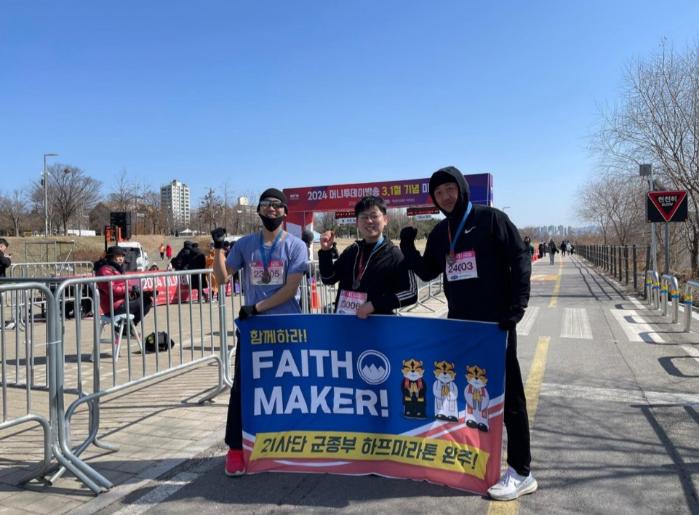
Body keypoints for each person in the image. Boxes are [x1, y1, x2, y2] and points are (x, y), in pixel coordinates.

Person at [399, 166, 536, 501]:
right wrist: (408, 248)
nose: (446, 196)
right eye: (439, 193)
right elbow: (430, 270)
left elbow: (520, 257)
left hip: (495, 326)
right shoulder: (441, 232)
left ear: (461, 189)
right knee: (467, 394)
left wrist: (517, 306)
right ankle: (473, 458)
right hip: (461, 325)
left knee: (509, 396)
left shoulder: (491, 220)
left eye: (450, 189)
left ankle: (521, 471)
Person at [212, 187, 308, 477]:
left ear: (285, 212)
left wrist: (257, 307)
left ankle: (290, 443)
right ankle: (235, 450)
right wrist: (217, 248)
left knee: (290, 387)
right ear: (258, 210)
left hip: (286, 327)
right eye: (266, 205)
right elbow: (220, 278)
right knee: (242, 389)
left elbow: (291, 289)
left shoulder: (295, 246)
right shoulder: (245, 244)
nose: (271, 210)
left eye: (277, 206)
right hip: (253, 333)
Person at [318, 196, 417, 317]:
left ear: (385, 220)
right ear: (357, 222)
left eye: (374, 216)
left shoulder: (395, 255)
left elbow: (411, 293)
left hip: (379, 328)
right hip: (345, 325)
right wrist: (325, 251)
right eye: (364, 217)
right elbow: (328, 278)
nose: (369, 221)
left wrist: (374, 305)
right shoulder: (351, 251)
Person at [94, 246, 153, 332]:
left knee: (146, 298)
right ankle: (127, 329)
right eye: (118, 256)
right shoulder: (104, 270)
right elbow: (112, 289)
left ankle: (127, 328)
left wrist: (136, 292)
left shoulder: (117, 270)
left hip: (120, 302)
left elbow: (125, 286)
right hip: (113, 306)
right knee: (146, 301)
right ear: (111, 257)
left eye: (122, 256)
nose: (121, 258)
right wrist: (130, 289)